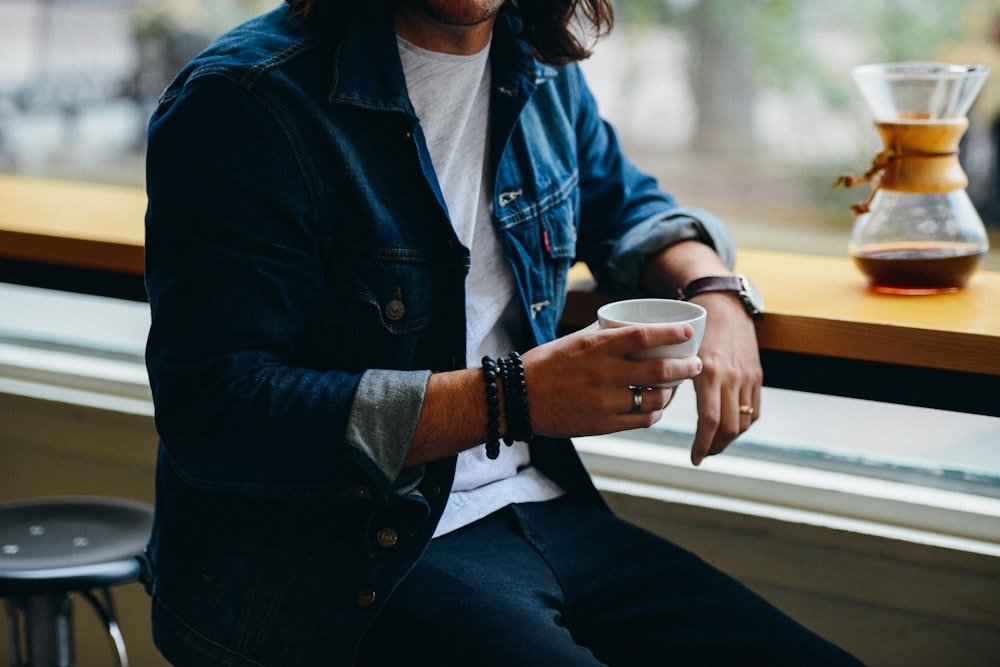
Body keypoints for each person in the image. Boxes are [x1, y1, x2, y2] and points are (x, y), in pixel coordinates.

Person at [140, 1, 864, 665]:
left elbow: (625, 203)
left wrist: (715, 288)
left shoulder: (532, 66)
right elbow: (220, 410)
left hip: (542, 507)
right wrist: (510, 398)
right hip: (344, 556)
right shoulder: (244, 102)